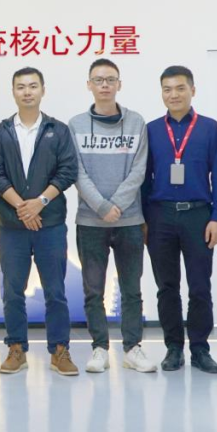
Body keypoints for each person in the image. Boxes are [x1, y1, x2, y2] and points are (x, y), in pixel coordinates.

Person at [0, 67, 79, 376]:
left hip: (50, 224)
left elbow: (67, 171)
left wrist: (40, 203)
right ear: (13, 92)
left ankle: (59, 350)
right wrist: (22, 208)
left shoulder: (58, 130)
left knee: (55, 291)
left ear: (43, 90)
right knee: (13, 291)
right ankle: (16, 349)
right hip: (12, 227)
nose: (27, 92)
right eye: (21, 87)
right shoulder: (1, 132)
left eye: (33, 86)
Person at [69, 58, 155, 374]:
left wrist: (116, 203)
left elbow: (139, 169)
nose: (104, 85)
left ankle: (132, 348)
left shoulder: (136, 122)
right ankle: (99, 348)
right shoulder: (76, 124)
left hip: (130, 220)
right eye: (98, 79)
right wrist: (101, 206)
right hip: (90, 221)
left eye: (110, 79)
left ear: (119, 84)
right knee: (93, 290)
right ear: (88, 85)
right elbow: (76, 171)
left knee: (132, 289)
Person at [143, 65, 217, 374]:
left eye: (180, 88)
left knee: (200, 286)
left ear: (193, 90)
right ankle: (173, 348)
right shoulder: (151, 129)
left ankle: (200, 348)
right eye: (167, 89)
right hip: (160, 216)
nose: (174, 94)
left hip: (198, 216)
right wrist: (143, 220)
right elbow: (144, 179)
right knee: (166, 286)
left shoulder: (209, 128)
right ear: (161, 93)